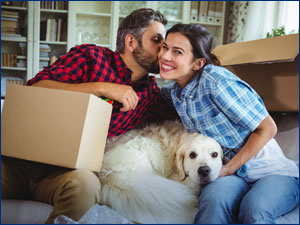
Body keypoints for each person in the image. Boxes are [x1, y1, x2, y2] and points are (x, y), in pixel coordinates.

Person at [1, 8, 177, 223]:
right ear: (131, 43)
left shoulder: (150, 94)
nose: (164, 50)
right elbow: (36, 87)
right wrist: (102, 88)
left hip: (63, 176)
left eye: (166, 44)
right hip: (19, 163)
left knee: (87, 185)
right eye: (157, 40)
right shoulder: (91, 57)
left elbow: (184, 115)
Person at [158, 23, 299, 224]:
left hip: (272, 173)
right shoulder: (176, 94)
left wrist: (228, 169)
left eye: (177, 52)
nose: (165, 56)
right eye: (164, 47)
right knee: (213, 202)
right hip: (232, 176)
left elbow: (268, 128)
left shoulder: (216, 82)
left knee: (253, 210)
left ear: (198, 63)